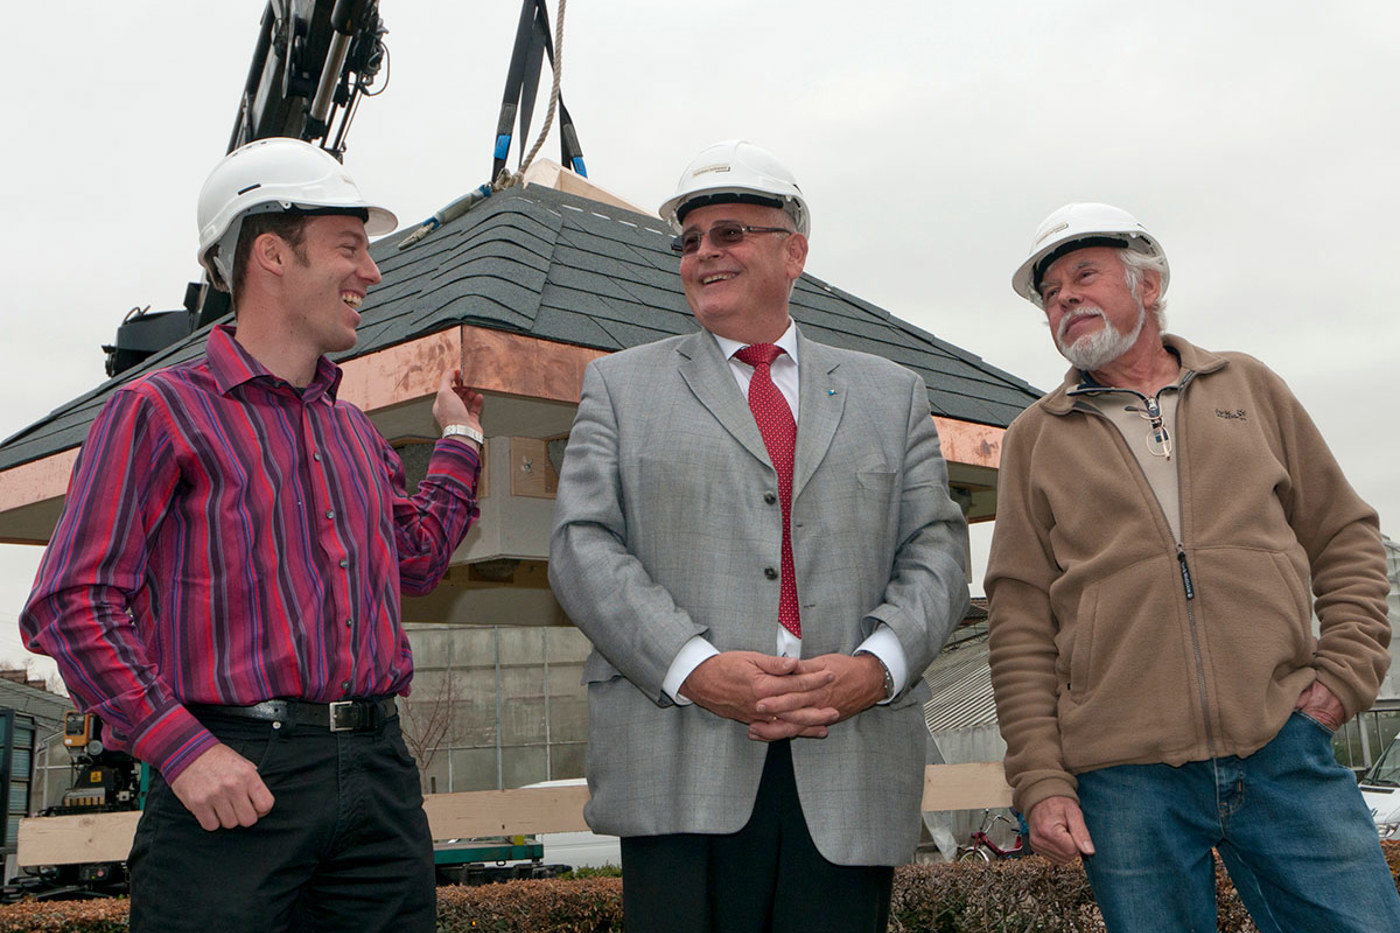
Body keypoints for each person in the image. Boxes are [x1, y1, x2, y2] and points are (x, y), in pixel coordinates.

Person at [21, 138, 486, 933]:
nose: (371, 272)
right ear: (271, 253)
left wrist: (461, 443)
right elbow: (71, 603)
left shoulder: (353, 433)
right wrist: (181, 747)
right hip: (233, 773)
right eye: (349, 247)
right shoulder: (158, 411)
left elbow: (416, 558)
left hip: (378, 774)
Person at [548, 139, 970, 933]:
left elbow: (939, 553)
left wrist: (875, 669)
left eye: (730, 232)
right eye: (690, 239)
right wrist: (693, 666)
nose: (704, 252)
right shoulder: (619, 386)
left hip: (847, 764)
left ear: (794, 251)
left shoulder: (893, 394)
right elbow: (583, 545)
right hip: (680, 761)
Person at [986, 202, 1400, 932]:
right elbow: (1019, 622)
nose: (1064, 299)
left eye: (1085, 275)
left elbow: (1347, 534)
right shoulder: (1033, 438)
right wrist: (1041, 778)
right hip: (1123, 776)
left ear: (1148, 286)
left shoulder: (1249, 386)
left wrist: (1343, 676)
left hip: (1283, 744)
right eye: (1050, 294)